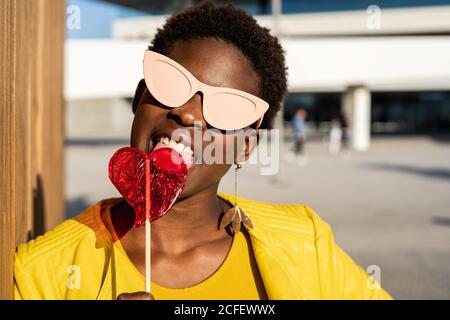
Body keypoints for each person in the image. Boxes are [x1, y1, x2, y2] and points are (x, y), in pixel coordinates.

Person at [14, 1, 391, 300]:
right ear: (140, 96)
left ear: (247, 144)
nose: (189, 113)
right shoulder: (43, 274)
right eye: (170, 83)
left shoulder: (307, 246)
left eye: (226, 107)